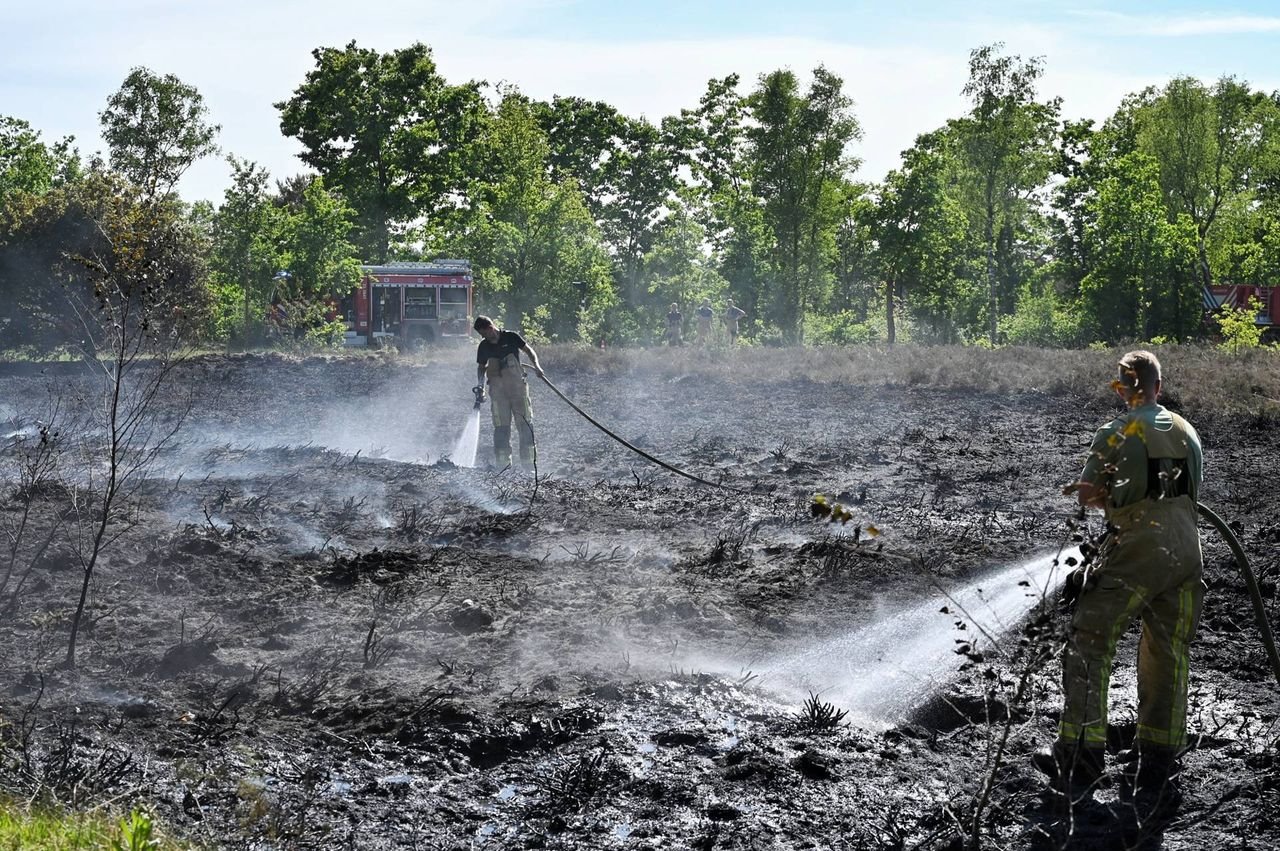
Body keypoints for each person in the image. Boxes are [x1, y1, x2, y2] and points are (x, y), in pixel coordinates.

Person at [1037, 350, 1203, 811]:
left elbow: (1089, 495)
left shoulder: (1114, 432)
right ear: (1159, 386)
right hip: (1187, 553)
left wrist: (1113, 496)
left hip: (1136, 549)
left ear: (1122, 389)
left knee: (1090, 639)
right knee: (1168, 650)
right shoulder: (1188, 431)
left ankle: (1081, 756)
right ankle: (1158, 758)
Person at [472, 315, 542, 468]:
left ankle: (529, 466)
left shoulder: (511, 337)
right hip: (498, 396)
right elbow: (481, 368)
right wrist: (480, 386)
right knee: (501, 430)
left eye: (484, 333)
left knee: (525, 426)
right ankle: (503, 467)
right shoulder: (484, 347)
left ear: (491, 328)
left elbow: (529, 350)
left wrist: (537, 366)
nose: (483, 337)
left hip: (518, 391)